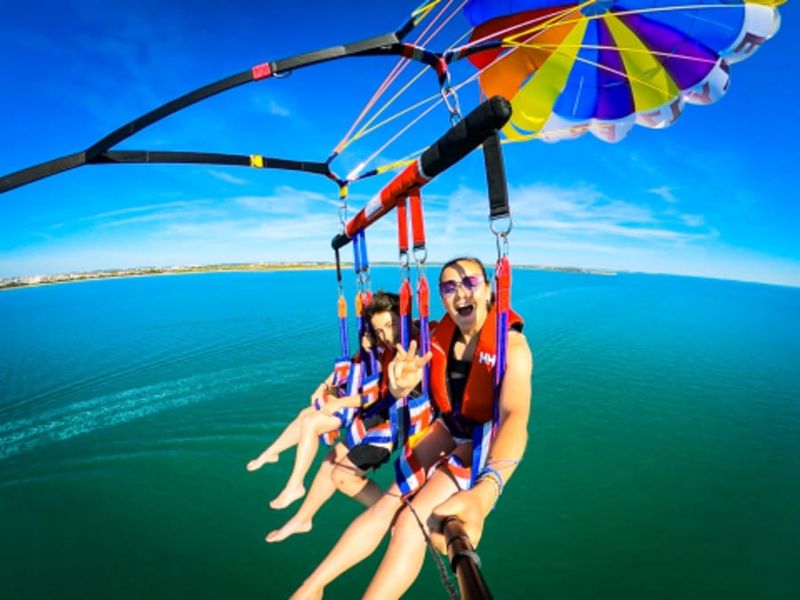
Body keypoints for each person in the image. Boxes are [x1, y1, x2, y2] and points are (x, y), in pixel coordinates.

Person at [290, 257, 533, 599]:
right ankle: (311, 588)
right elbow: (399, 346)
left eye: (470, 282)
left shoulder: (512, 347)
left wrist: (488, 488)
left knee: (409, 524)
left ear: (489, 290)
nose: (461, 292)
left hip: (478, 440)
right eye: (449, 287)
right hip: (446, 427)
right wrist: (398, 387)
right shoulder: (435, 337)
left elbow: (515, 417)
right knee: (385, 505)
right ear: (442, 297)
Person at [247, 292, 405, 520]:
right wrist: (324, 385)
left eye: (390, 326)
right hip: (358, 397)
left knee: (312, 424)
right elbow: (353, 363)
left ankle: (295, 484)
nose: (386, 335)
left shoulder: (400, 352)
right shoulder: (378, 345)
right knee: (305, 413)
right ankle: (271, 453)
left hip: (369, 408)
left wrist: (338, 403)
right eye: (380, 330)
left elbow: (376, 396)